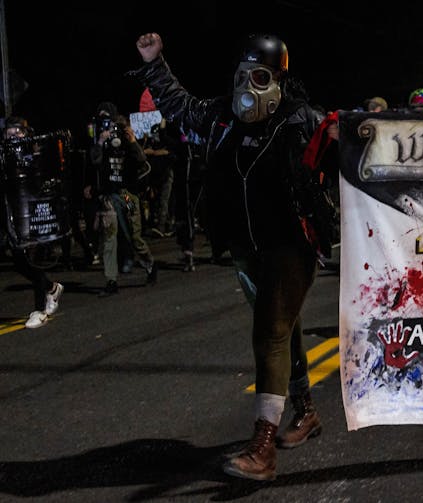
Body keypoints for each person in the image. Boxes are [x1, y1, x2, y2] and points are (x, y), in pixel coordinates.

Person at [133, 32, 336, 480]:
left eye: (259, 76)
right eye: (242, 75)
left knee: (269, 333)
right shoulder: (222, 115)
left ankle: (263, 448)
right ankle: (305, 410)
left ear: (279, 79)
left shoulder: (301, 119)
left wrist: (345, 137)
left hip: (290, 241)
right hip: (245, 244)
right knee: (284, 327)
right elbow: (179, 105)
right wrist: (154, 62)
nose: (248, 86)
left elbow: (353, 154)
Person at [85, 102, 157, 296]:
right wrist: (100, 141)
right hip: (108, 194)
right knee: (109, 237)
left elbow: (142, 161)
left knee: (134, 235)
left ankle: (150, 264)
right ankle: (111, 281)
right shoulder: (98, 138)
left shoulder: (124, 134)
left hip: (126, 193)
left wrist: (132, 141)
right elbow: (94, 162)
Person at [1, 117, 64, 328]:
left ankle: (39, 309)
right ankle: (51, 288)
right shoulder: (5, 155)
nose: (13, 136)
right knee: (19, 262)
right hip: (11, 211)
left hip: (32, 213)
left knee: (31, 257)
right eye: (9, 132)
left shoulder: (35, 153)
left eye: (17, 132)